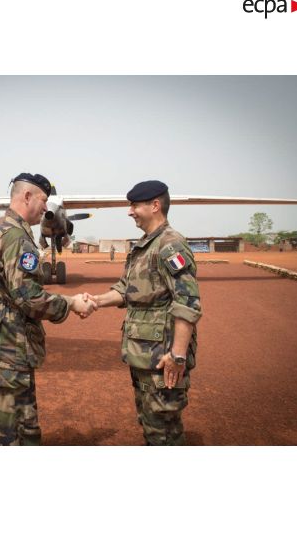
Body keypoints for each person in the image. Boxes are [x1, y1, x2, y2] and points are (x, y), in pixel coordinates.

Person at [0, 173, 96, 446]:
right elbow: (28, 297)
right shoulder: (17, 237)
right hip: (10, 338)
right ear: (27, 196)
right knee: (13, 415)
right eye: (43, 200)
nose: (45, 208)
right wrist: (71, 303)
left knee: (9, 404)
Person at [84, 180, 202, 445]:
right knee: (151, 422)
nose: (130, 211)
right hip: (144, 354)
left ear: (155, 206)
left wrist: (178, 356)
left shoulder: (170, 246)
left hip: (163, 357)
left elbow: (188, 302)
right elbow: (128, 288)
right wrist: (95, 301)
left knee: (163, 428)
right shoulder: (146, 244)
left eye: (135, 205)